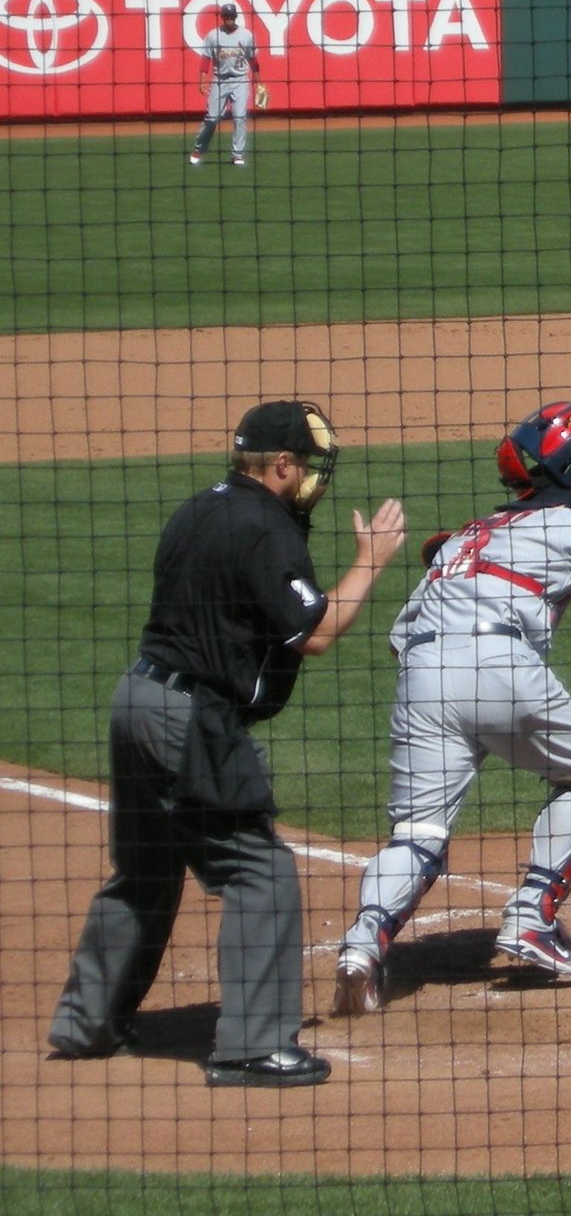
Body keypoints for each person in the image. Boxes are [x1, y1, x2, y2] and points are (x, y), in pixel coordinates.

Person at [48, 402, 407, 1088]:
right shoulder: (263, 527)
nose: (313, 480)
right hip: (190, 716)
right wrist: (370, 563)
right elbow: (317, 633)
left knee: (146, 874)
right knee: (259, 871)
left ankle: (86, 1024)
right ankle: (251, 1047)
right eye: (306, 466)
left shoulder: (200, 508)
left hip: (139, 699)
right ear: (279, 465)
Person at [330, 401, 571, 1012]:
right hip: (500, 663)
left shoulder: (465, 536)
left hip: (421, 674)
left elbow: (396, 638)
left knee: (416, 834)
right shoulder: (570, 527)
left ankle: (362, 945)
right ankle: (530, 918)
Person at [189, 1, 259, 167]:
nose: (229, 18)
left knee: (239, 117)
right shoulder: (213, 35)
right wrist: (202, 80)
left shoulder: (246, 35)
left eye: (231, 16)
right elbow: (205, 59)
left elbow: (253, 59)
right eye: (226, 15)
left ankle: (237, 154)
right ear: (222, 17)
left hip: (240, 80)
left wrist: (258, 82)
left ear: (235, 17)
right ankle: (199, 149)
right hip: (220, 81)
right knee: (212, 118)